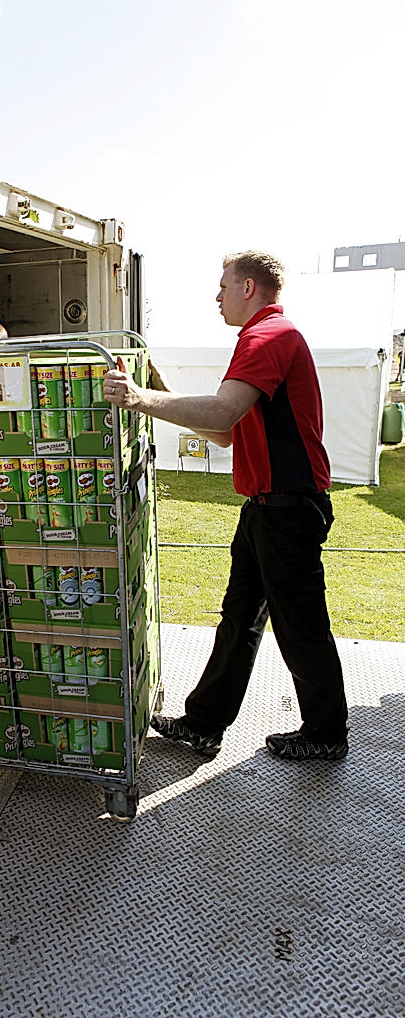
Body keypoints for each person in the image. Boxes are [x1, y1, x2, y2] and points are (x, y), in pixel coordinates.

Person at [104, 251, 349, 761]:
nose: (216, 297)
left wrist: (139, 399)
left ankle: (326, 734)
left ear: (248, 288)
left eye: (222, 286)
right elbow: (222, 434)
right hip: (266, 509)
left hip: (287, 509)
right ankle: (204, 724)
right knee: (239, 619)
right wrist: (155, 392)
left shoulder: (268, 337)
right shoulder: (263, 338)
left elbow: (222, 409)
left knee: (301, 625)